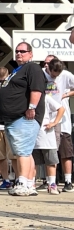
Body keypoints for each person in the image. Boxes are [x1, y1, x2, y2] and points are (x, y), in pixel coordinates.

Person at [0, 42, 45, 197]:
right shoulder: (17, 71)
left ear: (30, 54)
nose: (19, 54)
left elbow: (36, 88)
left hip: (24, 116)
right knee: (24, 151)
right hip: (13, 118)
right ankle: (30, 184)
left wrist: (31, 107)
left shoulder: (32, 68)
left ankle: (22, 182)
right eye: (17, 51)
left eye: (23, 51)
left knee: (22, 150)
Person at [44, 57, 74, 192]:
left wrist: (67, 94)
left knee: (65, 152)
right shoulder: (41, 73)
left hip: (63, 119)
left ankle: (68, 181)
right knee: (49, 151)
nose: (54, 76)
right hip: (46, 119)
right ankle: (51, 181)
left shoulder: (66, 75)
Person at [33, 80, 64, 195]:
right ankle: (31, 184)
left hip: (46, 134)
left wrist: (54, 123)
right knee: (33, 162)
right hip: (33, 133)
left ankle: (52, 185)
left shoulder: (45, 98)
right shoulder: (25, 98)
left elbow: (61, 109)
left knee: (50, 161)